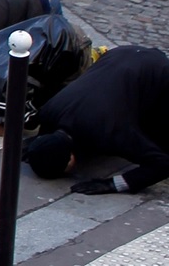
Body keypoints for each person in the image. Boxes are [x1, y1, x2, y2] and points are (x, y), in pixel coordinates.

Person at [23, 45, 169, 194]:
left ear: (70, 159)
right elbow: (44, 138)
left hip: (159, 71)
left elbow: (162, 164)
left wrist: (113, 184)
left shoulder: (109, 132)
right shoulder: (48, 112)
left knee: (159, 139)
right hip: (119, 54)